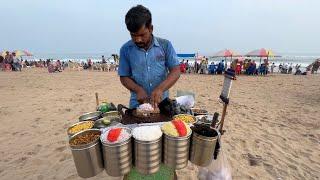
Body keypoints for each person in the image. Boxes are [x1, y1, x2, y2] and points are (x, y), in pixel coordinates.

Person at [118, 5, 180, 108]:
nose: (138, 40)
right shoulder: (126, 49)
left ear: (151, 28)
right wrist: (138, 90)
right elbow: (124, 77)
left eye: (142, 35)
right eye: (133, 35)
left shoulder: (165, 45)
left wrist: (160, 88)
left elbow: (176, 71)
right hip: (137, 104)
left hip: (162, 104)